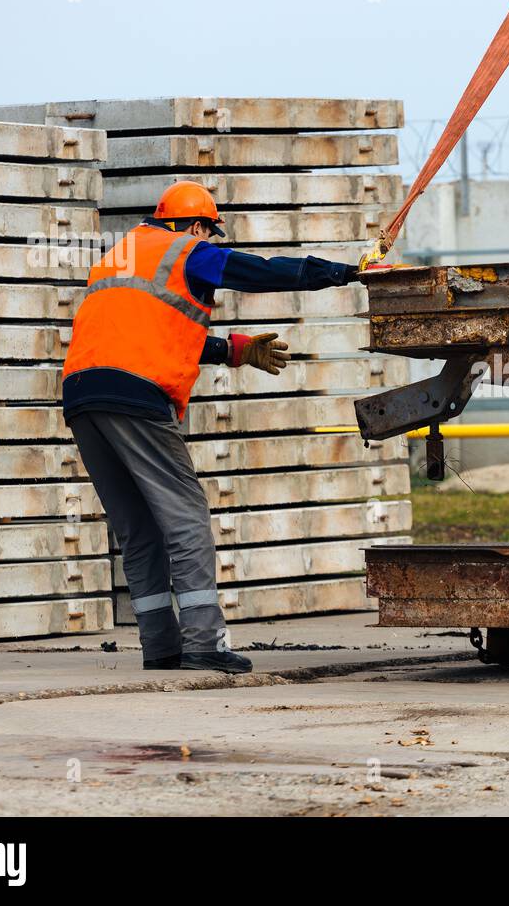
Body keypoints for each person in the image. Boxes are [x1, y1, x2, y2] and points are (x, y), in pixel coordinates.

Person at [62, 181, 359, 673]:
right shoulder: (187, 251)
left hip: (82, 396)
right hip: (137, 396)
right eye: (209, 233)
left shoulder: (119, 256)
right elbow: (254, 272)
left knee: (138, 530)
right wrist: (336, 273)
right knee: (186, 518)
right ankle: (204, 642)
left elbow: (151, 331)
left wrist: (234, 350)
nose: (210, 243)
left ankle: (160, 647)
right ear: (197, 226)